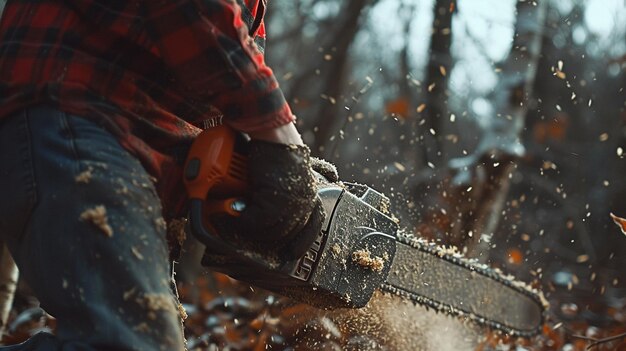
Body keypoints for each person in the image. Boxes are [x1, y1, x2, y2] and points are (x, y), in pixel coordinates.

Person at [0, 0, 327, 350]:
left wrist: (263, 163)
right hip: (79, 113)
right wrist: (279, 137)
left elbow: (202, 76)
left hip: (109, 137)